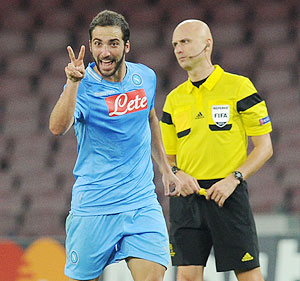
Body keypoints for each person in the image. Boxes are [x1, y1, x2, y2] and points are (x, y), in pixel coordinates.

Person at [49, 10, 181, 281]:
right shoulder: (82, 85)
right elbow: (57, 127)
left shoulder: (145, 77)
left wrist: (166, 169)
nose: (104, 52)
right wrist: (72, 84)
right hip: (95, 207)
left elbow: (150, 116)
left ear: (127, 46)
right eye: (97, 43)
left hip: (141, 202)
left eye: (112, 43)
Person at [160, 19, 273, 281]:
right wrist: (177, 174)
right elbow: (167, 158)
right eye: (175, 44)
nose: (178, 49)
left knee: (249, 275)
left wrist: (233, 180)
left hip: (227, 194)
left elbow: (264, 147)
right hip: (186, 198)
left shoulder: (238, 87)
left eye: (185, 42)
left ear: (207, 44)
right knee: (187, 276)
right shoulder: (174, 99)